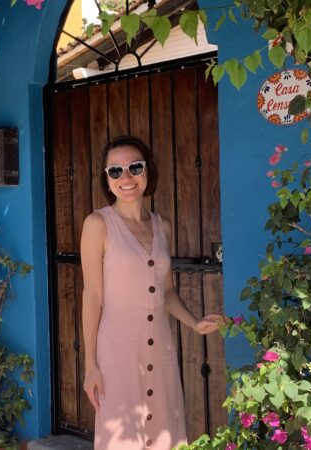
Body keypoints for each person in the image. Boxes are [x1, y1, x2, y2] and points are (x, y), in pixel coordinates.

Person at [80, 136, 224, 450]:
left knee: (164, 429)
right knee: (122, 435)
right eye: (115, 171)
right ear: (107, 179)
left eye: (134, 167)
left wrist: (194, 322)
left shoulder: (163, 227)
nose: (126, 177)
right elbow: (92, 296)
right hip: (116, 351)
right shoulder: (97, 225)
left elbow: (166, 290)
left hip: (160, 347)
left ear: (148, 172)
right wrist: (90, 365)